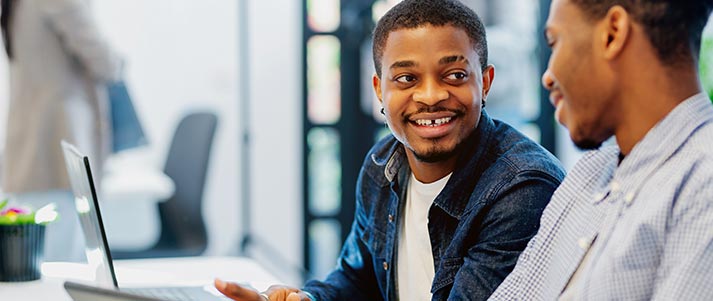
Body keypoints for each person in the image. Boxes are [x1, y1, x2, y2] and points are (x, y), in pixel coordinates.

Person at [215, 1, 565, 300]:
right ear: (379, 89)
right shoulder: (382, 165)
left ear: (485, 82)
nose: (430, 96)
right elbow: (357, 278)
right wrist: (308, 298)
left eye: (455, 75)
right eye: (406, 79)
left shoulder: (522, 189)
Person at [489, 0, 713, 300]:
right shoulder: (590, 170)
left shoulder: (703, 184)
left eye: (555, 43)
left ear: (613, 33)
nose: (548, 76)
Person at [1, 0, 123, 261]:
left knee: (44, 266)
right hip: (57, 153)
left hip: (34, 152)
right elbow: (106, 63)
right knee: (62, 269)